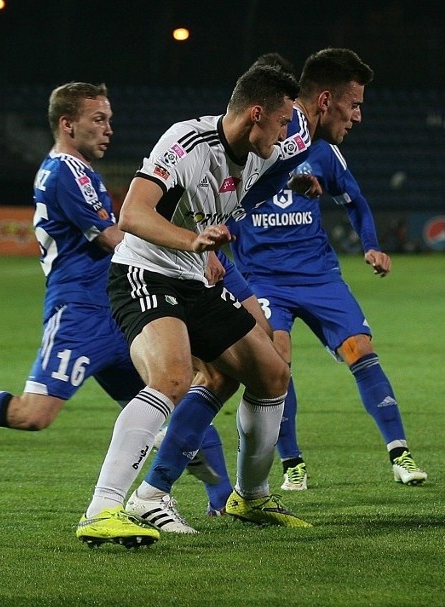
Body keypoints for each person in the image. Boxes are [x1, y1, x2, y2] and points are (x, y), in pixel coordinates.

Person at [0, 82, 226, 541]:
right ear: (68, 125)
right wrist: (186, 251)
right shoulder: (64, 171)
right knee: (36, 414)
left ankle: (220, 503)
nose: (108, 129)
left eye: (109, 118)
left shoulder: (81, 170)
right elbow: (113, 239)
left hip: (115, 305)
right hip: (80, 313)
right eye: (98, 120)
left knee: (178, 390)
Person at [125, 48, 381, 528]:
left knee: (260, 369)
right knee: (215, 374)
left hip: (211, 252)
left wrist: (293, 178)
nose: (358, 116)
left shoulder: (297, 142)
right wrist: (202, 247)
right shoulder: (292, 131)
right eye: (354, 104)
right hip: (186, 258)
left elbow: (251, 177)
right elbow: (233, 162)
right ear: (325, 100)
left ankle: (240, 494)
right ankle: (156, 491)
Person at [75, 63, 320, 547]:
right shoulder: (186, 141)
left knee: (272, 373)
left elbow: (272, 175)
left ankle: (249, 497)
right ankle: (102, 509)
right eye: (282, 120)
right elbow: (132, 214)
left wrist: (297, 183)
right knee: (172, 377)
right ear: (256, 114)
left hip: (194, 278)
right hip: (145, 273)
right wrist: (193, 241)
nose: (286, 130)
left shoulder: (253, 155)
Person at [222, 53, 426, 491]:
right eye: (353, 105)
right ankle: (291, 460)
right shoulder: (265, 144)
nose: (358, 116)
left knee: (361, 349)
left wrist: (371, 245)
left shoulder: (321, 153)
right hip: (264, 278)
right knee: (277, 359)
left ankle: (399, 451)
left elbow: (356, 200)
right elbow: (233, 194)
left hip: (318, 276)